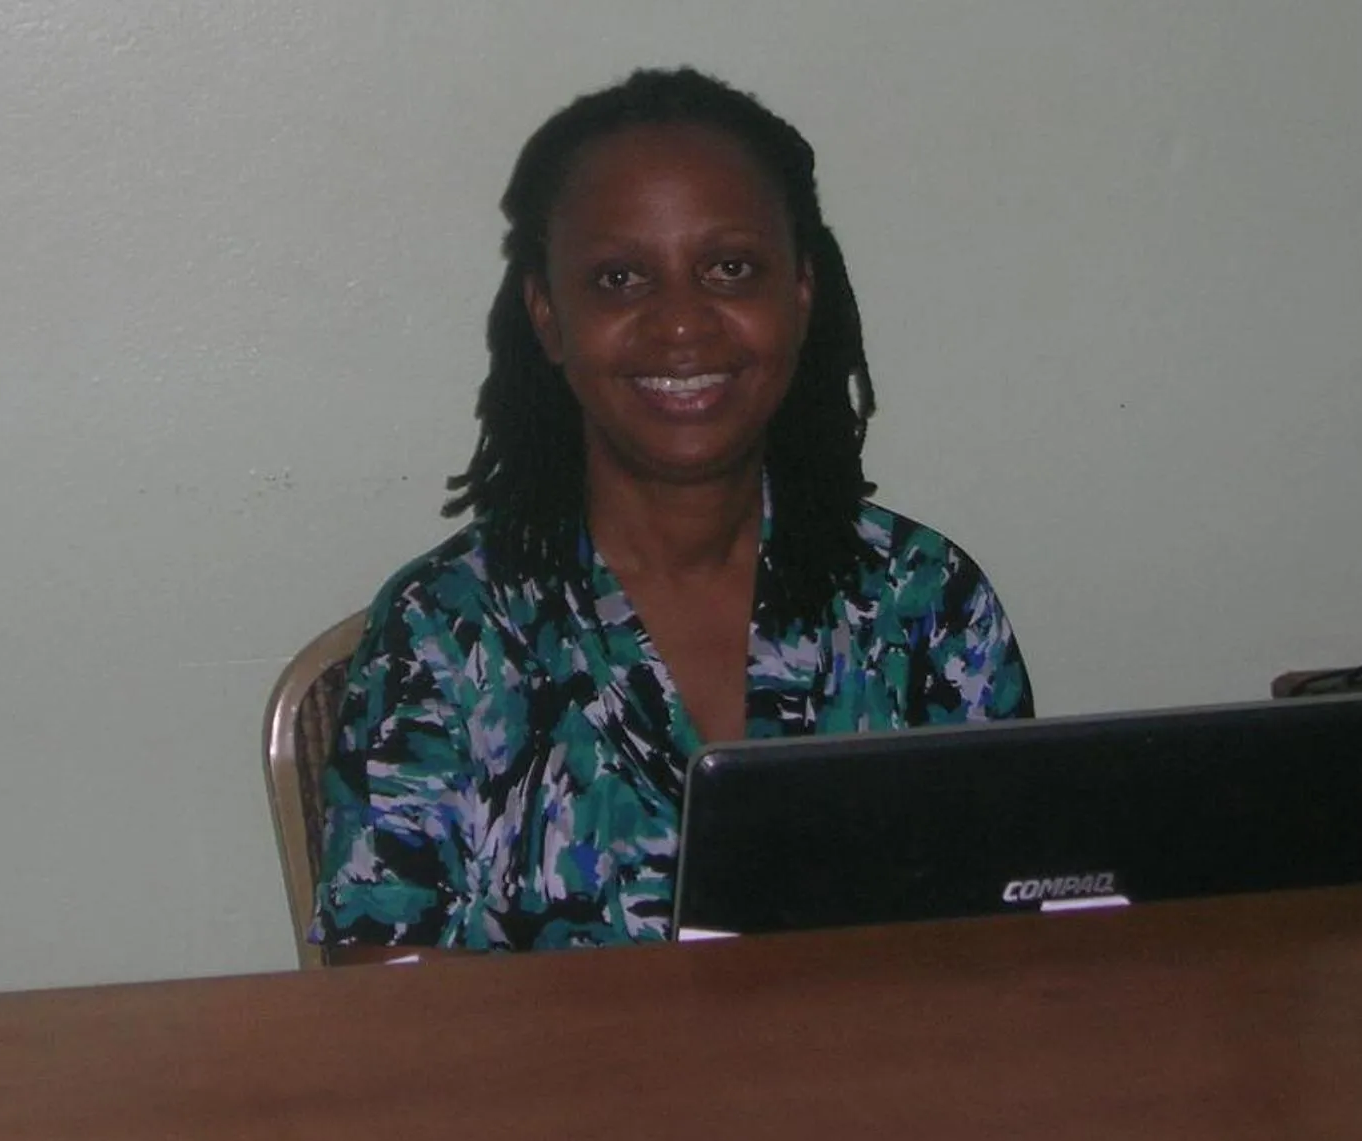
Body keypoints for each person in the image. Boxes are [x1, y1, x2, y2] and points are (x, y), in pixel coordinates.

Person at [310, 68, 1030, 953]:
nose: (682, 323)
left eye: (729, 268)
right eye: (619, 278)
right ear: (547, 316)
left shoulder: (925, 604)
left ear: (800, 295)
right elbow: (381, 998)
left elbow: (1014, 944)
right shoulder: (448, 633)